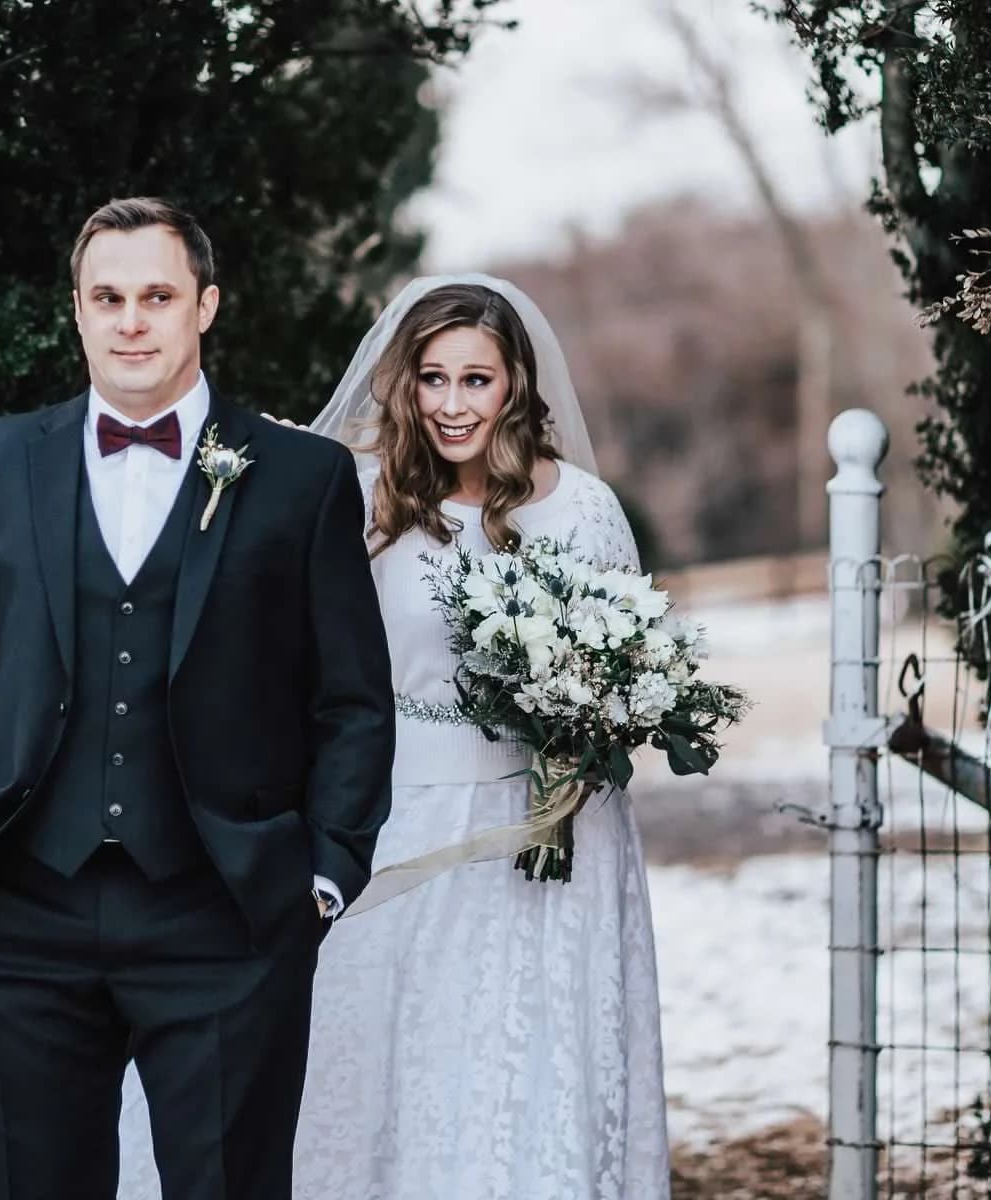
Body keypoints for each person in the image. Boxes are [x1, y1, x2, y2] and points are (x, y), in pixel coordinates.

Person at [116, 274, 670, 1199]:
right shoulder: (357, 495)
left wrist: (582, 731)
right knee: (371, 1066)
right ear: (404, 383)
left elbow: (623, 673)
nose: (453, 405)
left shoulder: (580, 510)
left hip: (540, 841)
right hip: (391, 825)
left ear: (516, 388)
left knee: (514, 1080)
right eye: (433, 379)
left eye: (477, 381)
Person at [0, 196, 396, 1200]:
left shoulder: (302, 478)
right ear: (75, 312)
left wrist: (324, 871)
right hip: (14, 915)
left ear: (204, 306)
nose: (132, 320)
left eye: (157, 295)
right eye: (108, 296)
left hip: (225, 915)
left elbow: (352, 700)